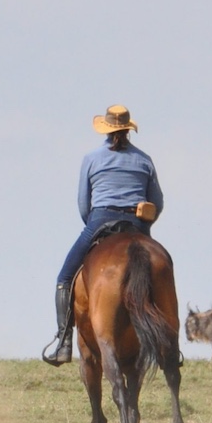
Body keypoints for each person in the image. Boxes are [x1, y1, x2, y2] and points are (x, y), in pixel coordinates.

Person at [43, 105, 164, 365]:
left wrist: (96, 225)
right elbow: (158, 202)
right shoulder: (144, 159)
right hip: (137, 224)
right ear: (128, 129)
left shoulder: (91, 159)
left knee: (64, 278)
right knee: (161, 274)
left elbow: (83, 204)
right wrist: (144, 229)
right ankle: (169, 344)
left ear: (106, 130)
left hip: (100, 220)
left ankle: (64, 342)